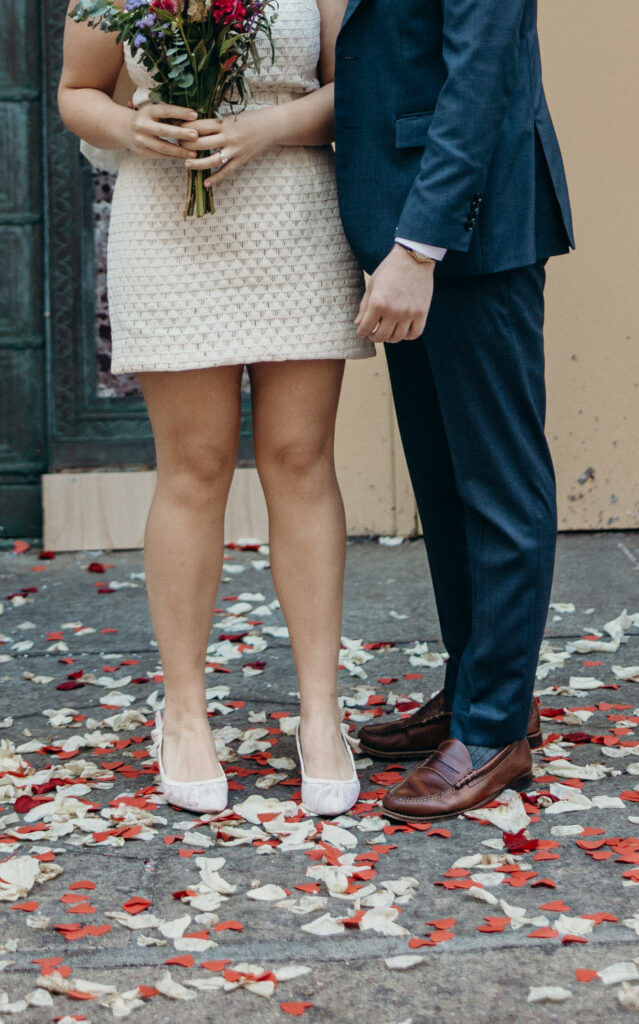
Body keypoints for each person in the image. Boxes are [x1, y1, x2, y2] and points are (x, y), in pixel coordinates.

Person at [58, 0, 370, 817]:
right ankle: (185, 713)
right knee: (192, 468)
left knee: (299, 460)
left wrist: (266, 129)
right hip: (167, 224)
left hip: (298, 218)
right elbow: (77, 91)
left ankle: (319, 713)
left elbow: (359, 88)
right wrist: (133, 129)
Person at [334, 0, 574, 820]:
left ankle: (495, 727)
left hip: (464, 227)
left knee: (499, 486)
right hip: (402, 216)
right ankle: (476, 688)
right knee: (444, 483)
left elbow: (480, 73)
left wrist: (417, 247)